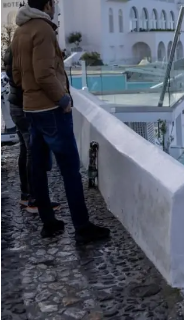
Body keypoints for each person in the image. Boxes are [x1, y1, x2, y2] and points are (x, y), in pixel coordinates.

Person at [11, 0, 110, 243]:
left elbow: (16, 74)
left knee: (38, 167)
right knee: (70, 170)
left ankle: (49, 223)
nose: (55, 7)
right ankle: (82, 227)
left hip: (31, 108)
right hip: (51, 109)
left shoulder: (20, 31)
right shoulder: (43, 29)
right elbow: (44, 72)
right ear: (47, 5)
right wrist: (63, 99)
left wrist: (31, 94)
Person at [3, 45, 61, 214]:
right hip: (24, 106)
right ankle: (35, 200)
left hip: (15, 105)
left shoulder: (13, 47)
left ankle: (26, 194)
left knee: (25, 149)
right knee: (33, 151)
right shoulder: (24, 49)